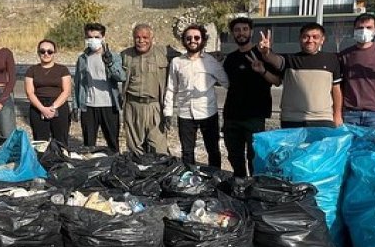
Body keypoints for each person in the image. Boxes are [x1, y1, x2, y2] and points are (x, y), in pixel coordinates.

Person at [164, 24, 229, 167]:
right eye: (188, 38)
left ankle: (214, 180)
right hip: (185, 114)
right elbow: (171, 88)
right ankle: (190, 181)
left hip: (208, 113)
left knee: (212, 150)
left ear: (203, 40)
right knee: (187, 152)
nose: (192, 40)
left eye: (196, 37)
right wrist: (167, 112)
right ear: (183, 41)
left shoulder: (211, 62)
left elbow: (227, 84)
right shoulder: (176, 62)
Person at [221, 17, 278, 176]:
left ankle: (253, 189)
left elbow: (277, 81)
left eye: (245, 29)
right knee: (235, 157)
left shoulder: (264, 55)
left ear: (251, 31)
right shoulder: (230, 59)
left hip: (255, 116)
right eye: (237, 30)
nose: (241, 33)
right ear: (233, 33)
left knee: (254, 157)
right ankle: (239, 186)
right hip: (231, 116)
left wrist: (262, 71)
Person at [257, 23, 342, 128]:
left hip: (323, 119)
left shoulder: (331, 59)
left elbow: (336, 89)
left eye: (315, 37)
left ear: (322, 40)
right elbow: (274, 60)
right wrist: (266, 52)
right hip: (292, 119)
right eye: (306, 37)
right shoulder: (289, 60)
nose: (310, 40)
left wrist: (338, 114)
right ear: (300, 39)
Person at [119, 23, 175, 155]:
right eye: (137, 37)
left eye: (145, 37)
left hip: (155, 107)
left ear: (152, 38)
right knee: (134, 149)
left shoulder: (164, 53)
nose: (141, 41)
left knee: (159, 149)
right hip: (132, 106)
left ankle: (159, 173)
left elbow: (187, 57)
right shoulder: (125, 55)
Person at [70, 22, 126, 151]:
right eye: (90, 37)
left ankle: (114, 166)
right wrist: (75, 106)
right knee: (89, 144)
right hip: (89, 106)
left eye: (96, 37)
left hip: (109, 105)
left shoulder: (114, 57)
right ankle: (91, 167)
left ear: (103, 38)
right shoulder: (83, 59)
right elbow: (78, 83)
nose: (93, 40)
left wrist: (110, 63)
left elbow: (121, 77)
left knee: (113, 143)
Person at [23, 39, 73, 146]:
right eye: (43, 51)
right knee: (40, 142)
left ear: (54, 53)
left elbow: (66, 91)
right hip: (38, 106)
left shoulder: (62, 69)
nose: (46, 54)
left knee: (61, 141)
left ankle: (61, 161)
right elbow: (30, 92)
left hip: (59, 105)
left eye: (49, 51)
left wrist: (52, 108)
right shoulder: (31, 70)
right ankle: (42, 162)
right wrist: (42, 109)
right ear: (38, 52)